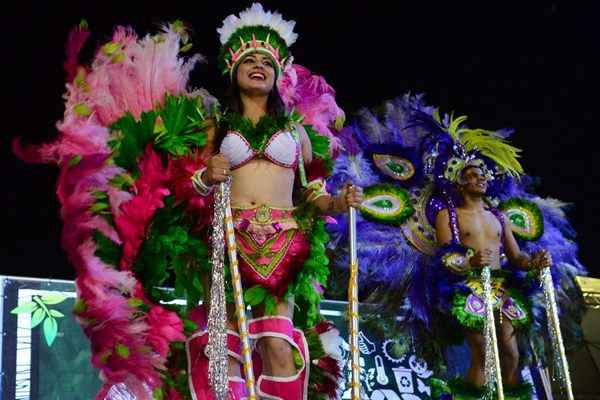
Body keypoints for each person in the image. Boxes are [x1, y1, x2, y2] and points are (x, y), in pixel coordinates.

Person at [186, 4, 363, 399]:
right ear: (233, 70)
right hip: (227, 242)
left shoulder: (296, 131)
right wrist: (204, 177)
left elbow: (313, 193)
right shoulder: (215, 127)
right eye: (249, 59)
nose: (258, 65)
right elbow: (188, 191)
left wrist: (339, 202)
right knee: (225, 350)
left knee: (277, 347)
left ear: (278, 74)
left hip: (283, 245)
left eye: (266, 60)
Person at [435, 162, 551, 392]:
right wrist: (470, 262)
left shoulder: (500, 217)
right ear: (460, 183)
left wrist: (535, 262)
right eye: (473, 175)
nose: (481, 179)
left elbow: (517, 257)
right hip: (469, 288)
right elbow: (445, 256)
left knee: (511, 354)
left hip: (500, 287)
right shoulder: (448, 216)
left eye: (483, 175)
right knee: (484, 355)